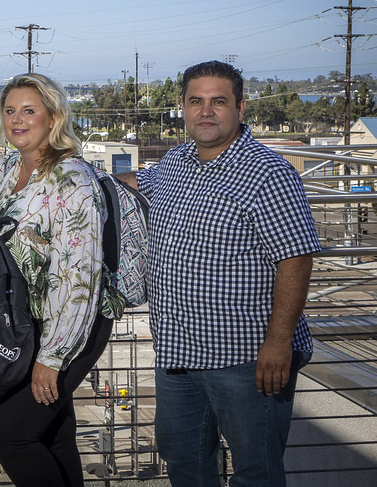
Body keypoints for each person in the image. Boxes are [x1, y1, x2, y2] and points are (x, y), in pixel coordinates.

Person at [117, 60, 319, 487]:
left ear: (240, 108)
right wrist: (70, 177)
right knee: (185, 463)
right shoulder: (175, 162)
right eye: (196, 101)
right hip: (180, 355)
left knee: (256, 472)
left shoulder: (270, 174)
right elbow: (131, 183)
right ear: (184, 108)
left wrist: (279, 342)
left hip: (247, 359)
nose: (205, 111)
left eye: (218, 101)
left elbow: (296, 259)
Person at [0, 73, 115, 487]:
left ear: (53, 117)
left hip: (69, 328)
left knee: (10, 436)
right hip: (24, 325)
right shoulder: (5, 170)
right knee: (53, 436)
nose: (17, 120)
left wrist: (52, 358)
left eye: (29, 111)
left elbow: (80, 278)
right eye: (10, 110)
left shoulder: (71, 178)